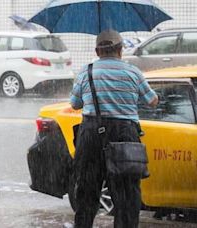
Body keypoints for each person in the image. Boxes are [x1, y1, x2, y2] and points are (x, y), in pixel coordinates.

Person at [70, 30, 159, 228]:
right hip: (125, 136)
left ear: (96, 50)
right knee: (127, 196)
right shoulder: (133, 72)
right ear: (120, 50)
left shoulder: (87, 71)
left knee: (86, 192)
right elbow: (152, 101)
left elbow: (75, 104)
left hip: (91, 135)